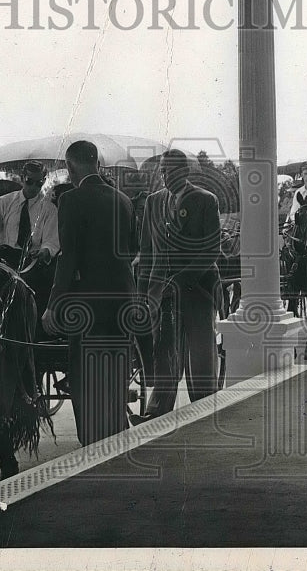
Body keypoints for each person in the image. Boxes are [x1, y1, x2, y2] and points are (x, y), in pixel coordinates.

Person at [41, 140, 138, 445]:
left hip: (87, 306)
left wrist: (53, 304)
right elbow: (133, 249)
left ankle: (91, 450)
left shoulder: (71, 200)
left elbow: (67, 259)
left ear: (70, 167)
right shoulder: (124, 200)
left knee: (84, 378)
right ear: (96, 162)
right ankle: (117, 440)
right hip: (122, 301)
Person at [137, 149, 222, 418]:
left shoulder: (206, 200)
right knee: (164, 352)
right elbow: (147, 251)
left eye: (171, 171)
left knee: (200, 353)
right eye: (162, 171)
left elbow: (211, 250)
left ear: (185, 172)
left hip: (198, 290)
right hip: (161, 291)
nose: (165, 176)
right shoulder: (153, 202)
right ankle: (157, 412)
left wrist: (181, 279)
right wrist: (143, 293)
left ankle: (204, 407)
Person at [0, 161, 59, 314]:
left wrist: (44, 251)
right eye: (29, 181)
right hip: (2, 262)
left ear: (44, 181)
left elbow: (51, 242)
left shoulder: (49, 209)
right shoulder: (4, 203)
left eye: (39, 183)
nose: (33, 187)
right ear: (22, 178)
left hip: (31, 265)